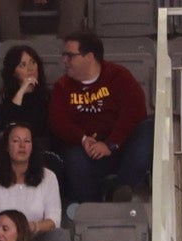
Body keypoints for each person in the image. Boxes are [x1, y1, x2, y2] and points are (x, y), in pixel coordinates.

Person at [50, 30, 154, 203]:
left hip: (121, 148)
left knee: (149, 129)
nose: (64, 61)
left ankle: (117, 189)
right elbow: (58, 122)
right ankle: (94, 205)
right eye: (64, 55)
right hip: (85, 152)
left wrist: (111, 143)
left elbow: (135, 112)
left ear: (89, 57)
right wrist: (82, 139)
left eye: (70, 56)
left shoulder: (118, 76)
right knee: (74, 158)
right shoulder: (62, 86)